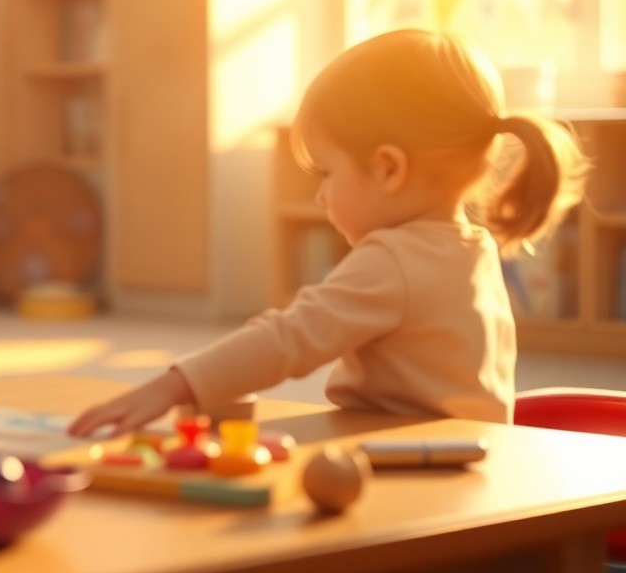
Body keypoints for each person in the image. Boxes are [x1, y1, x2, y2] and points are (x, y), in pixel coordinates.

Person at [69, 28, 590, 438]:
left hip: (411, 474)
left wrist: (172, 388)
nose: (320, 197)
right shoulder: (471, 247)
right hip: (472, 461)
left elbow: (289, 338)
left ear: (389, 169)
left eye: (325, 173)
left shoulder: (392, 260)